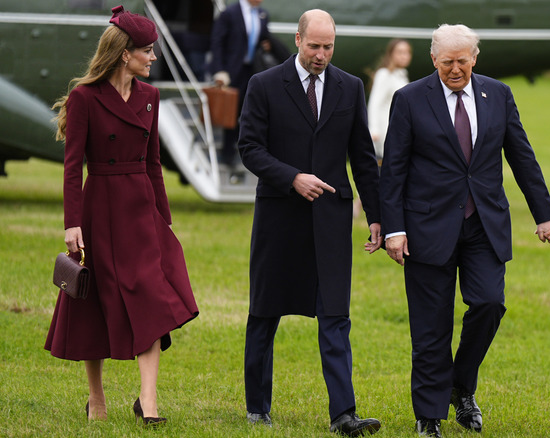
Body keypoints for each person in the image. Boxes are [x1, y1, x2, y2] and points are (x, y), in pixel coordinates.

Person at [379, 24, 550, 437]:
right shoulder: (409, 99)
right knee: (431, 326)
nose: (455, 69)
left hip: (484, 224)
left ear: (475, 58)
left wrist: (545, 215)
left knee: (489, 304)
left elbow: (522, 157)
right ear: (433, 60)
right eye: (447, 62)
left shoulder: (498, 94)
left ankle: (460, 386)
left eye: (462, 61)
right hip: (427, 227)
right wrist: (394, 229)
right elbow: (393, 169)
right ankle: (429, 415)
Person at [45, 5, 199, 426]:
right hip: (98, 208)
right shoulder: (84, 98)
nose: (153, 57)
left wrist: (163, 218)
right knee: (92, 301)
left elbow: (154, 162)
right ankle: (96, 398)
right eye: (147, 51)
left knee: (151, 297)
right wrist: (72, 223)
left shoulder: (151, 97)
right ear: (124, 53)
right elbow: (72, 167)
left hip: (140, 210)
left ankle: (148, 402)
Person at [237, 9, 382, 436]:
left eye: (328, 47)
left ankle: (344, 415)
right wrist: (292, 177)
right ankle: (257, 407)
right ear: (298, 39)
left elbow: (363, 158)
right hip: (279, 218)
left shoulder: (350, 87)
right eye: (314, 46)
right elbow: (249, 147)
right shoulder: (264, 84)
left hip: (331, 221)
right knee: (265, 313)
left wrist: (378, 217)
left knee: (335, 314)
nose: (321, 54)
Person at [209, 0, 290, 169]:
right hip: (232, 72)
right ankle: (227, 153)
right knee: (231, 111)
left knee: (250, 112)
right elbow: (217, 42)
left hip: (253, 71)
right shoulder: (230, 13)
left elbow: (264, 38)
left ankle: (245, 152)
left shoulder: (262, 14)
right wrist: (219, 70)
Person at [367, 39, 412, 164]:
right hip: (384, 131)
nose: (404, 56)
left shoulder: (402, 74)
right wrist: (374, 129)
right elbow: (375, 103)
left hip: (400, 130)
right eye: (400, 52)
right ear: (391, 54)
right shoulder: (384, 74)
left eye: (407, 52)